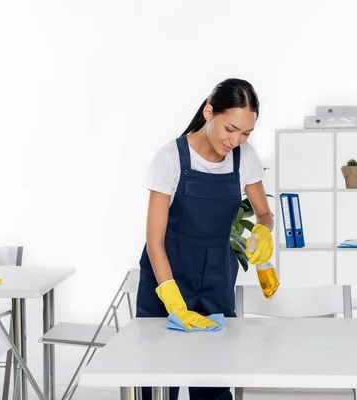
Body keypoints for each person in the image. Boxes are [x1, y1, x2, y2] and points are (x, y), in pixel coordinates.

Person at [136, 78, 275, 400]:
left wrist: (263, 231)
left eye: (245, 134)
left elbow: (264, 214)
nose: (236, 140)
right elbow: (154, 241)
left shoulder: (245, 157)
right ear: (209, 112)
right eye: (230, 129)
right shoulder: (170, 158)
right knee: (157, 380)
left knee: (213, 379)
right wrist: (171, 299)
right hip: (167, 274)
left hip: (216, 277)